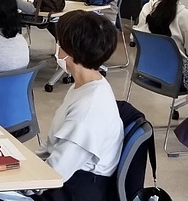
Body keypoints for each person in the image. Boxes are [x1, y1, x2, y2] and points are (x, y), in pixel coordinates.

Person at [33, 10, 123, 201]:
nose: (56, 46)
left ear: (70, 50)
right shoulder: (83, 85)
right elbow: (53, 145)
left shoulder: (89, 109)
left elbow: (55, 174)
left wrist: (13, 184)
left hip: (73, 190)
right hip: (64, 178)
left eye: (59, 42)